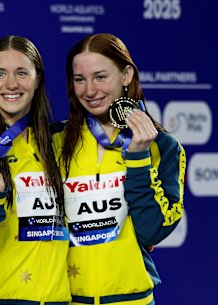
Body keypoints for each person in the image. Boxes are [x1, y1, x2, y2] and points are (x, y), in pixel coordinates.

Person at [53, 33, 185, 305]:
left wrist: (138, 159)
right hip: (67, 299)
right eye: (80, 79)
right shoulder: (55, 140)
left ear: (126, 75)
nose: (89, 90)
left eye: (100, 77)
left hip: (132, 299)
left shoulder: (163, 146)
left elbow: (153, 230)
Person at [0, 36, 70, 304]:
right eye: (0, 73)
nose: (11, 84)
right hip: (1, 298)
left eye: (22, 73)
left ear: (37, 80)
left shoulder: (60, 142)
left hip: (60, 298)